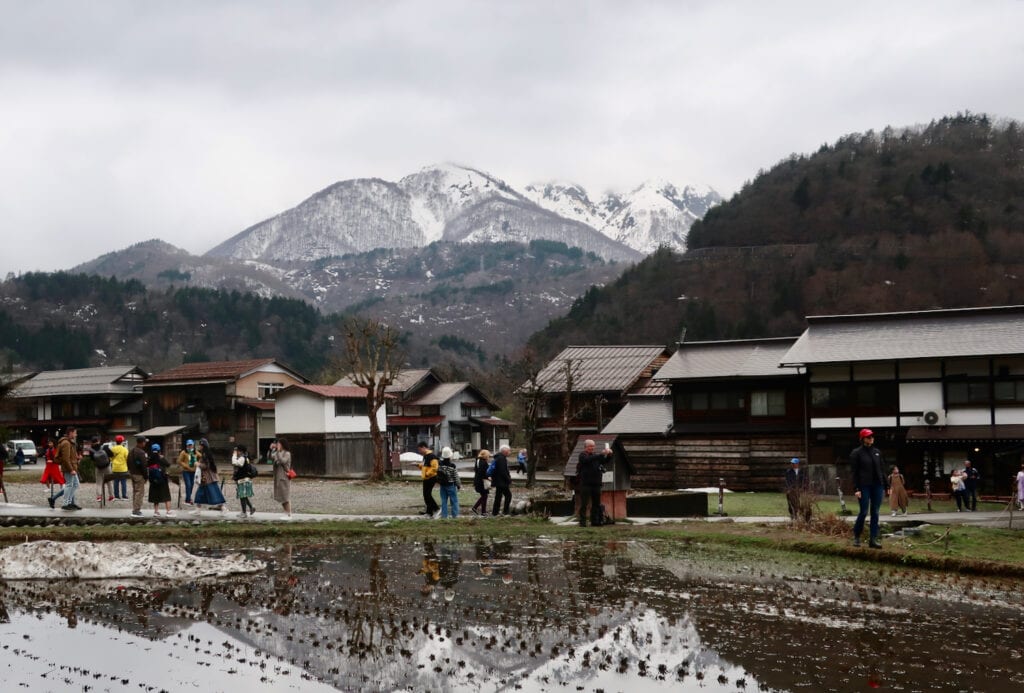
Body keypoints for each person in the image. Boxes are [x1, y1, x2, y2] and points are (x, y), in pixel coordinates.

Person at [849, 428, 887, 549]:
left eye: (872, 436)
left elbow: (882, 470)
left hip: (877, 485)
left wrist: (887, 485)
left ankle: (873, 540)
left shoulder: (877, 452)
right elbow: (854, 473)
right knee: (864, 511)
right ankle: (856, 536)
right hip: (863, 486)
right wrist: (856, 488)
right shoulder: (856, 453)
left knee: (875, 512)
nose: (871, 438)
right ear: (862, 439)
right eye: (868, 437)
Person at [576, 439, 611, 527]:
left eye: (593, 446)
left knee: (596, 504)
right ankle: (582, 522)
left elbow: (605, 461)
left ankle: (595, 521)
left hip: (596, 484)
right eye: (590, 446)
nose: (592, 448)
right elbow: (587, 460)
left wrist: (609, 454)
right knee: (584, 504)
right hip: (586, 484)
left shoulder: (596, 456)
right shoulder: (582, 455)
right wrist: (600, 454)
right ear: (585, 447)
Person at [193, 438, 227, 514]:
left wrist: (198, 464)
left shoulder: (205, 455)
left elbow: (206, 466)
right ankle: (198, 509)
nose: (199, 446)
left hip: (208, 478)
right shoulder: (206, 454)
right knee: (200, 493)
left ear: (203, 446)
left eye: (200, 445)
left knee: (214, 493)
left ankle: (223, 507)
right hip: (205, 478)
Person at [56, 427, 82, 511]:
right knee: (69, 485)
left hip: (72, 467)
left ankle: (69, 502)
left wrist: (77, 458)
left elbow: (70, 456)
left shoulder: (70, 442)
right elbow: (66, 458)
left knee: (75, 484)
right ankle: (66, 503)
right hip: (69, 468)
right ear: (70, 433)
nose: (76, 434)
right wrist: (71, 469)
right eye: (75, 433)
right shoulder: (66, 443)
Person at [147, 443, 173, 516]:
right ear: (159, 450)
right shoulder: (161, 458)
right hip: (162, 479)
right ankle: (168, 511)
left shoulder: (149, 459)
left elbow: (146, 466)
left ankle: (156, 511)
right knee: (166, 495)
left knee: (155, 496)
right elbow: (168, 465)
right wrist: (163, 458)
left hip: (153, 481)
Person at [270, 438, 293, 519]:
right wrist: (272, 449)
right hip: (278, 477)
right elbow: (271, 457)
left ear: (282, 445)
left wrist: (278, 452)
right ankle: (286, 513)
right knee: (280, 496)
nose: (277, 445)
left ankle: (289, 514)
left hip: (284, 477)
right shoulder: (278, 452)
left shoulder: (287, 453)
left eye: (279, 444)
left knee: (285, 496)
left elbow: (283, 461)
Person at [416, 441, 440, 518]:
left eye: (420, 450)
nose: (419, 452)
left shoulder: (432, 456)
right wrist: (417, 465)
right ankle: (429, 512)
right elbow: (424, 466)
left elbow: (435, 468)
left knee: (427, 495)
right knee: (426, 495)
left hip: (431, 478)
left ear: (424, 447)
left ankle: (436, 508)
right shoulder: (425, 456)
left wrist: (427, 474)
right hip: (426, 478)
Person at [232, 444, 257, 518]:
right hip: (243, 480)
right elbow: (240, 469)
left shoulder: (242, 458)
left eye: (237, 451)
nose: (236, 452)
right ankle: (251, 508)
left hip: (243, 480)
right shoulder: (244, 458)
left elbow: (235, 463)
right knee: (243, 496)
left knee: (242, 496)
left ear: (240, 451)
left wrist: (233, 456)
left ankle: (244, 512)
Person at [40, 439, 66, 509]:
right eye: (49, 443)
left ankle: (62, 487)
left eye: (51, 443)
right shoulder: (47, 450)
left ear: (53, 443)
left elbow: (57, 457)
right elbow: (46, 456)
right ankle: (49, 488)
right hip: (49, 465)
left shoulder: (56, 449)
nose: (49, 444)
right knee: (46, 477)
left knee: (58, 476)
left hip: (54, 465)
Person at [437, 446, 461, 518]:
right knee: (454, 501)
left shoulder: (440, 465)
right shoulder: (452, 466)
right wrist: (458, 485)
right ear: (450, 456)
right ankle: (455, 515)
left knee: (444, 501)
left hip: (442, 486)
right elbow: (455, 477)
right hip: (451, 485)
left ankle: (444, 516)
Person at [128, 435, 149, 517]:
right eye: (144, 442)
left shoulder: (131, 450)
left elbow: (128, 462)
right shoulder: (141, 452)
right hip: (139, 475)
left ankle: (134, 509)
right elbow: (144, 466)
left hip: (132, 473)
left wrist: (131, 471)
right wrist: (146, 476)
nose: (145, 443)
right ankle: (136, 511)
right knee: (139, 492)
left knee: (135, 492)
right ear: (142, 442)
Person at [490, 445, 513, 517]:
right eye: (509, 451)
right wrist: (509, 480)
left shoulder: (498, 458)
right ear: (504, 451)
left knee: (498, 496)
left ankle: (495, 512)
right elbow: (503, 471)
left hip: (498, 481)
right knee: (508, 495)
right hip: (502, 482)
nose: (509, 452)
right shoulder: (501, 459)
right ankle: (505, 511)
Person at [88, 436, 112, 502]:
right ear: (98, 441)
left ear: (92, 443)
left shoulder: (91, 450)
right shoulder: (104, 447)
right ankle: (111, 496)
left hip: (98, 468)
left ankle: (99, 497)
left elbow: (92, 459)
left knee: (99, 483)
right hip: (107, 466)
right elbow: (111, 454)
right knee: (109, 481)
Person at [178, 439, 199, 505]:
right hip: (186, 471)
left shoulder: (196, 452)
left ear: (193, 445)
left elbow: (201, 457)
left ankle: (189, 498)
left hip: (193, 471)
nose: (190, 446)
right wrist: (186, 466)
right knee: (188, 485)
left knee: (192, 485)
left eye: (191, 445)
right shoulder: (183, 452)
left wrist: (198, 463)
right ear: (187, 445)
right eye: (189, 445)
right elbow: (179, 461)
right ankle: (188, 500)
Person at [108, 434, 129, 501]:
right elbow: (127, 459)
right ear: (122, 441)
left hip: (115, 468)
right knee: (123, 483)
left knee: (116, 482)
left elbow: (110, 459)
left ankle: (116, 496)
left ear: (116, 441)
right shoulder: (125, 449)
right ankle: (124, 496)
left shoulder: (112, 449)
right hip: (123, 468)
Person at [472, 449, 491, 516]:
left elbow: (477, 471)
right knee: (484, 496)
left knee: (484, 496)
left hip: (478, 481)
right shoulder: (483, 462)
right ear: (485, 455)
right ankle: (477, 508)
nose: (489, 456)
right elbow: (483, 472)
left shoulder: (478, 460)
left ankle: (482, 511)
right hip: (482, 482)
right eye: (488, 455)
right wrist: (488, 477)